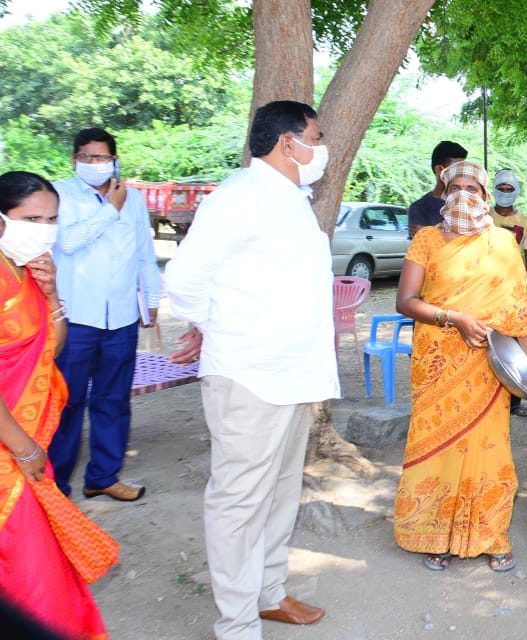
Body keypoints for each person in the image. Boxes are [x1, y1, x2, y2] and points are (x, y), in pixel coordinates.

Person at [164, 101, 338, 639]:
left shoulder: (290, 199)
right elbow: (185, 277)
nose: (322, 148)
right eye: (316, 136)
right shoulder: (239, 196)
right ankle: (236, 623)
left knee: (282, 490)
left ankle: (268, 593)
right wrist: (210, 326)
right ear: (288, 142)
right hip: (249, 374)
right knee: (239, 499)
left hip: (291, 375)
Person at [393, 160, 527, 573]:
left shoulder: (503, 243)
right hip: (437, 364)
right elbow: (406, 301)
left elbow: (520, 310)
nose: (464, 194)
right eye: (455, 187)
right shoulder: (427, 239)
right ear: (444, 193)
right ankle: (437, 534)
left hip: (488, 366)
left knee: (489, 450)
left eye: (473, 188)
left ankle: (490, 534)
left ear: (485, 197)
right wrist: (455, 319)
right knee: (439, 449)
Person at [1, 170, 119, 640]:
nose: (44, 228)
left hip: (24, 438)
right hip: (13, 445)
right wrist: (25, 449)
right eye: (32, 218)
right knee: (25, 564)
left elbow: (50, 347)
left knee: (40, 564)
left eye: (52, 219)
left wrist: (51, 296)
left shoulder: (27, 268)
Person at [47, 127, 160, 502]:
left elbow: (144, 252)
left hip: (122, 318)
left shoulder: (136, 199)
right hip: (75, 318)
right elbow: (68, 241)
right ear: (74, 160)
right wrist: (110, 209)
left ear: (115, 159)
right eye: (86, 157)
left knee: (113, 401)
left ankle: (103, 476)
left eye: (102, 157)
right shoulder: (59, 195)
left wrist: (153, 298)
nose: (94, 164)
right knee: (68, 402)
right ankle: (56, 488)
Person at [489, 168, 527, 417]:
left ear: (517, 191)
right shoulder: (484, 218)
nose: (505, 193)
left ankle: (514, 401)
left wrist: (526, 296)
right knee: (487, 343)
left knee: (513, 345)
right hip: (485, 290)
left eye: (510, 189)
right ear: (494, 190)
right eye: (501, 188)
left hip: (513, 291)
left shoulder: (525, 223)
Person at [407, 140, 468, 237]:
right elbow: (423, 247)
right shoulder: (419, 208)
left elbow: (476, 241)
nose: (463, 174)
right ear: (439, 170)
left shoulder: (470, 202)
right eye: (457, 169)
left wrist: (430, 233)